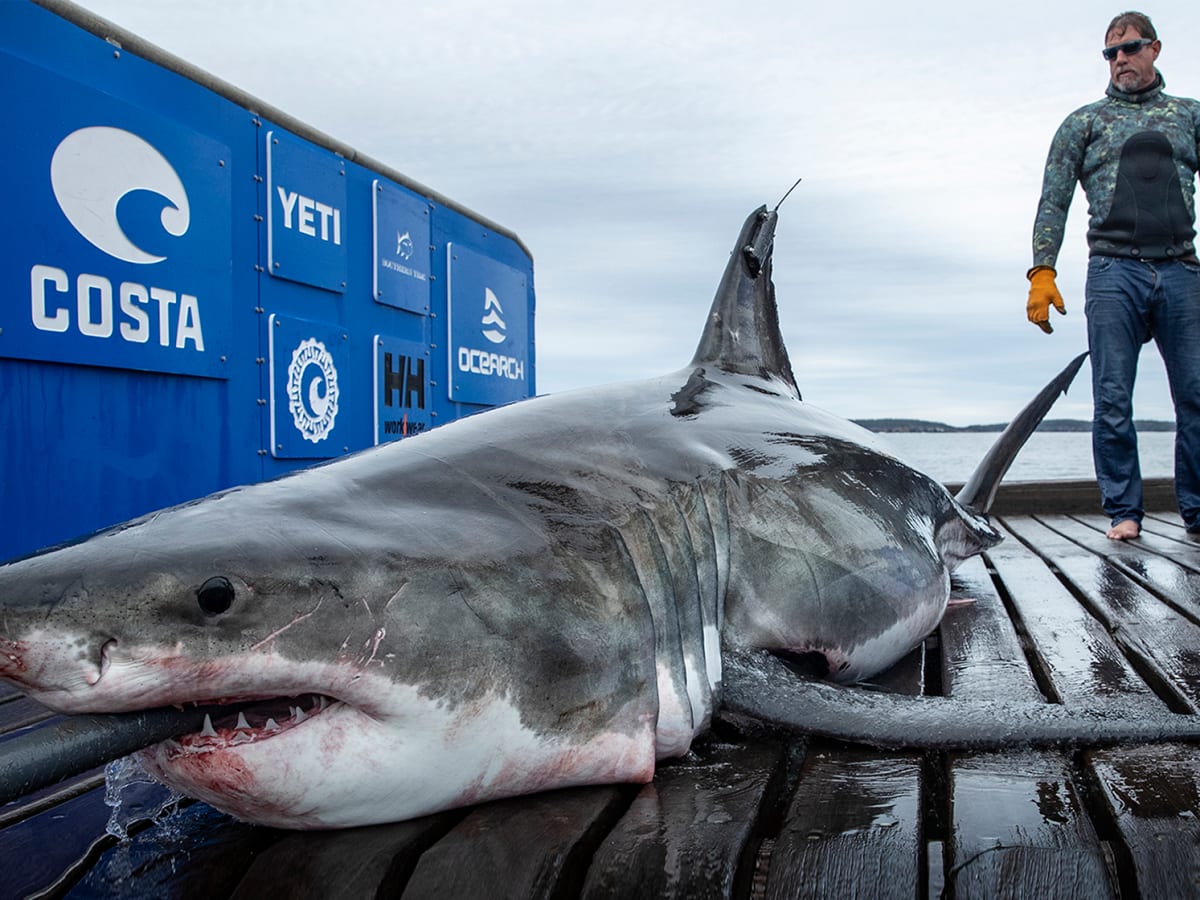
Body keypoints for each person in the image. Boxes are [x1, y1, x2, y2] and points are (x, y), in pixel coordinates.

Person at [1026, 11, 1200, 541]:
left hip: (1180, 270)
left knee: (1195, 394)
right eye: (1110, 52)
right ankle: (1124, 512)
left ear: (1155, 49)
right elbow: (1053, 198)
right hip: (1112, 271)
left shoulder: (1189, 116)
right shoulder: (1084, 122)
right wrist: (1042, 270)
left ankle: (1197, 511)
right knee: (1112, 396)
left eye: (1130, 48)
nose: (1120, 59)